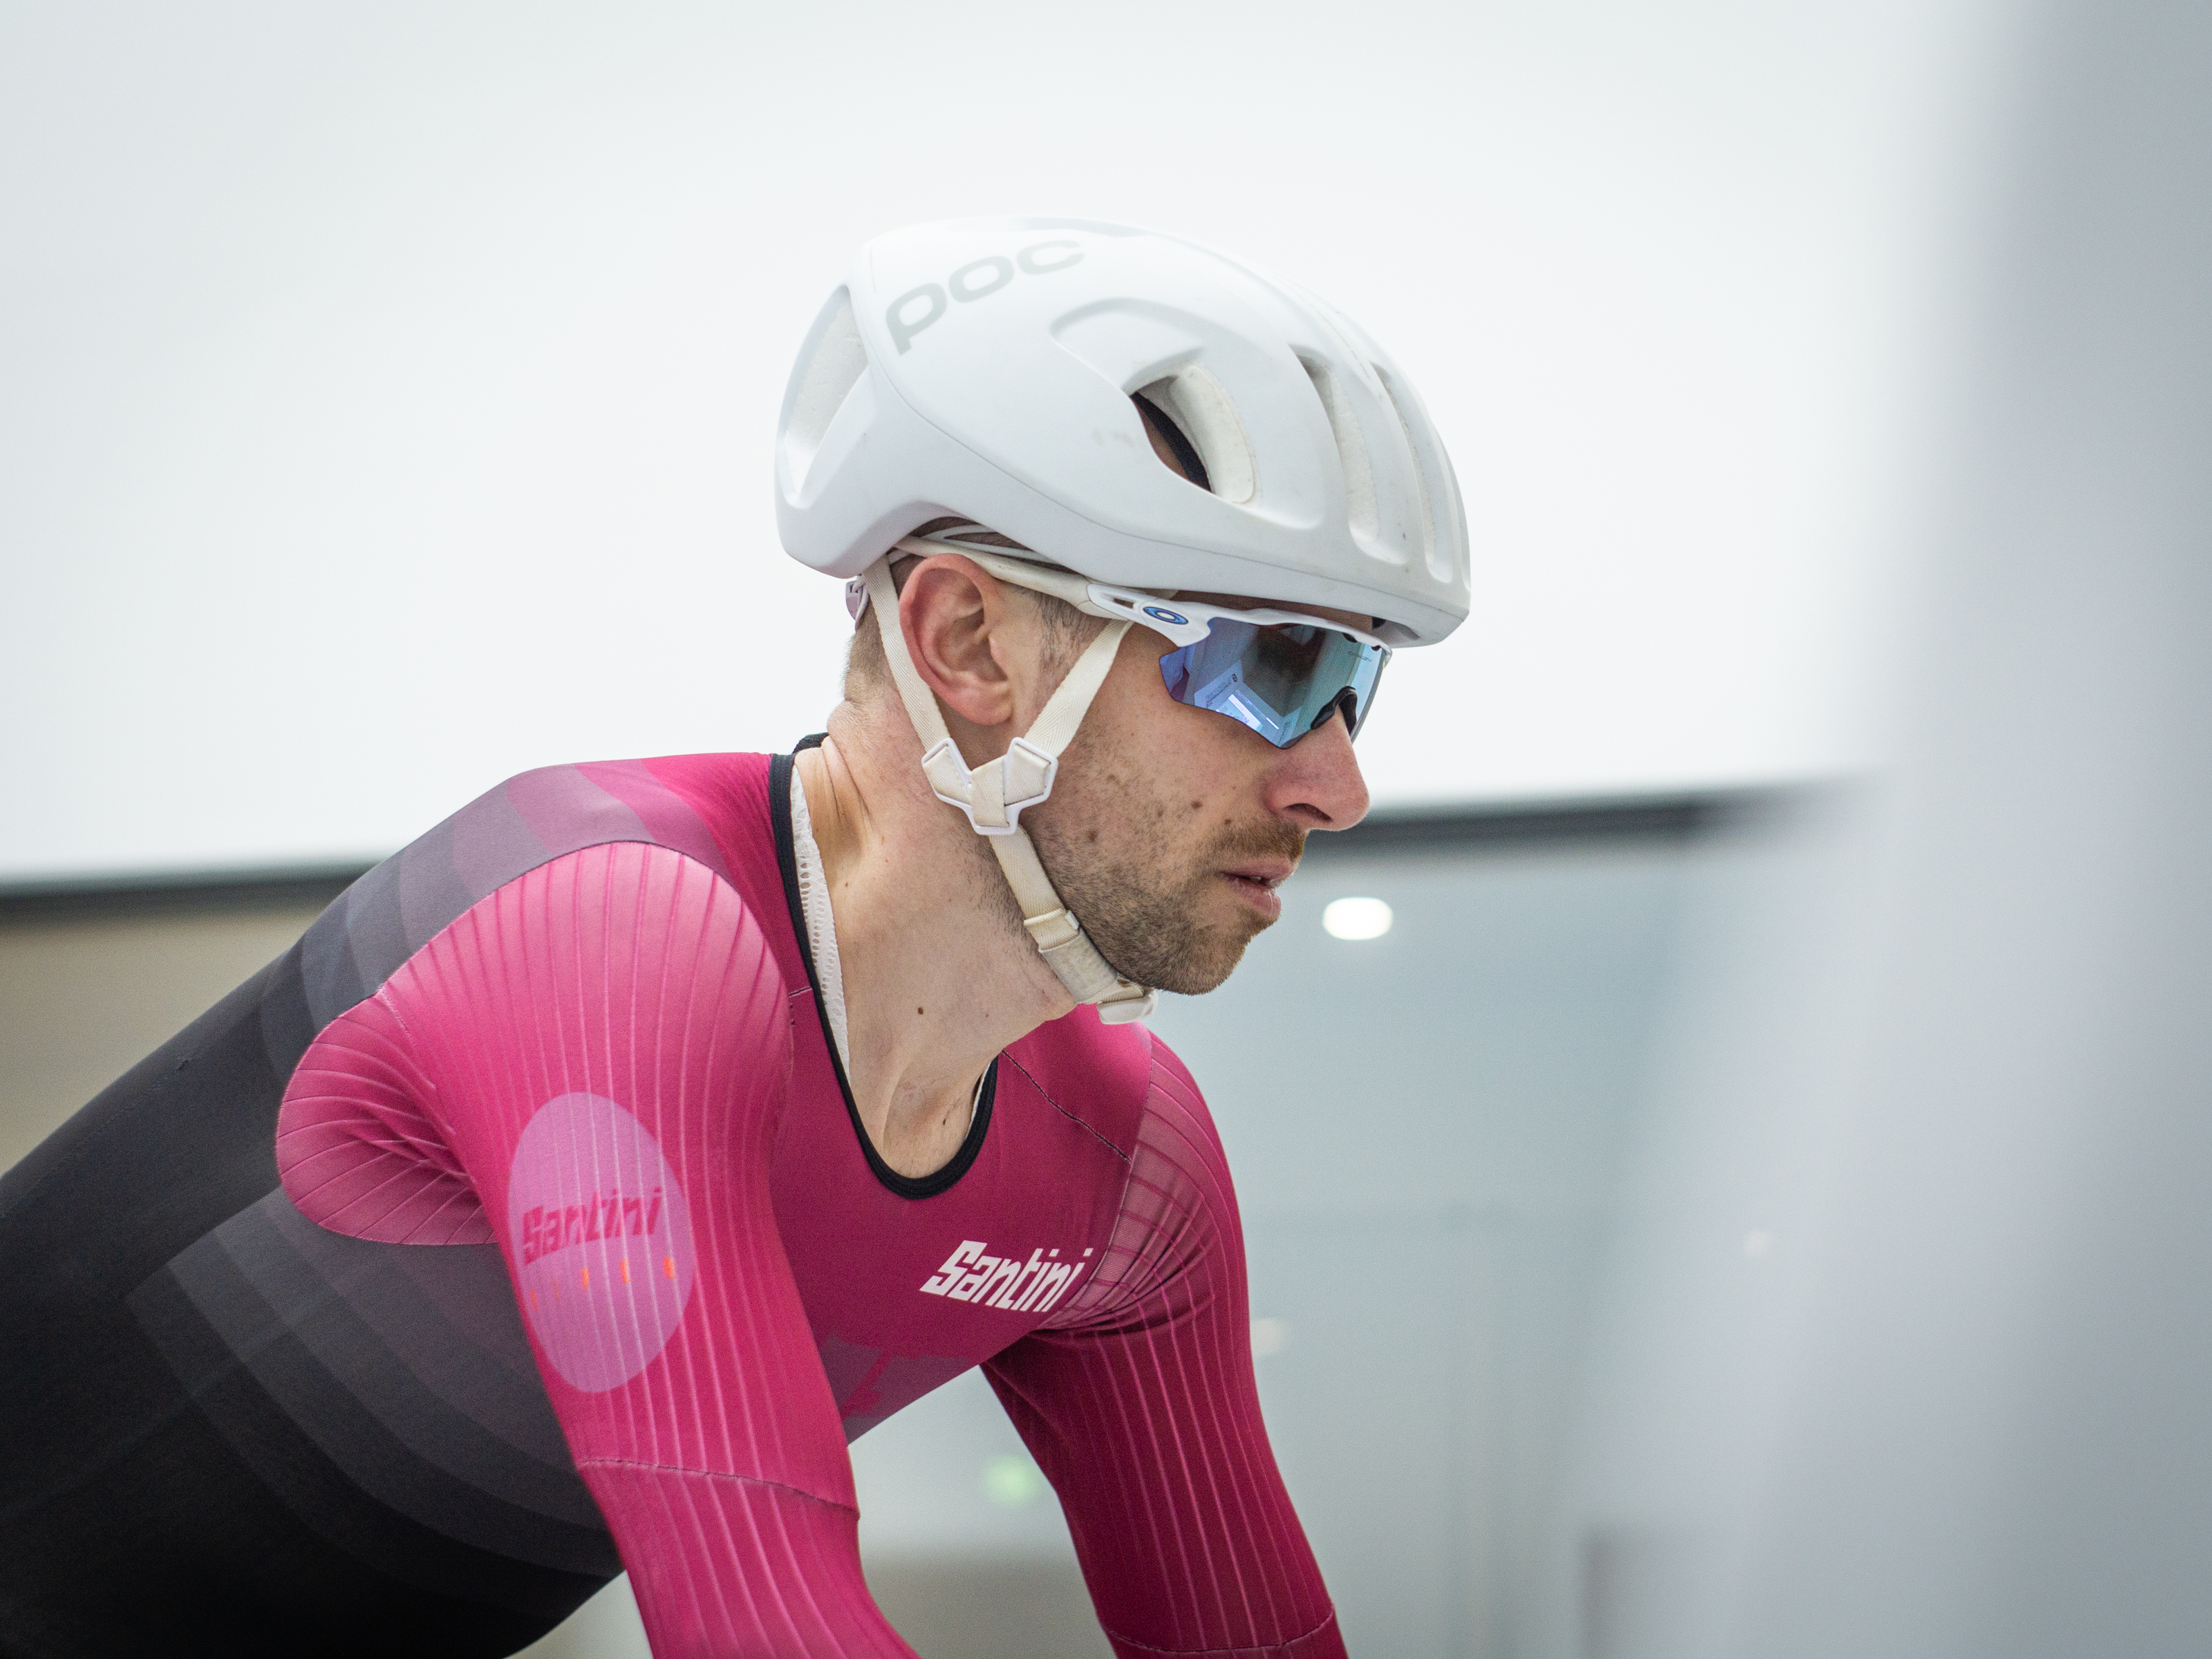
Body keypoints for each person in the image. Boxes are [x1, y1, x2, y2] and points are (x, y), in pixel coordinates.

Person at [0, 216, 1468, 1658]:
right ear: (966, 645)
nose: (1337, 784)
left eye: (1360, 690)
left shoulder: (1127, 1172)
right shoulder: (610, 936)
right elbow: (760, 1617)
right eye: (1274, 669)